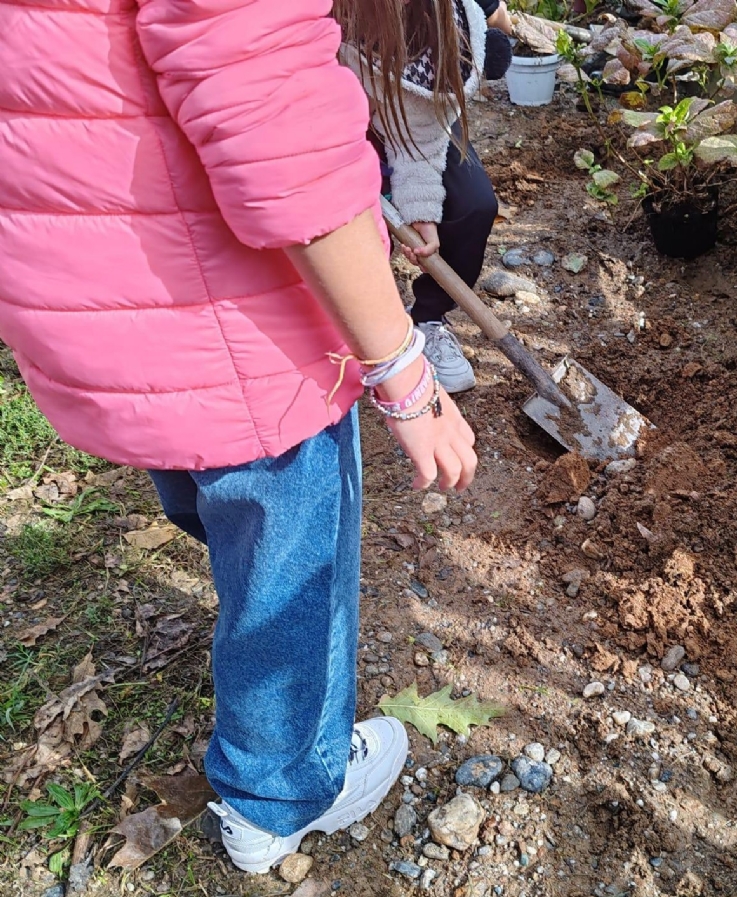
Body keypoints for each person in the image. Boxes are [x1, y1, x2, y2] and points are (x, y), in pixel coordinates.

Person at [0, 0, 477, 874]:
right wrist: (405, 374)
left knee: (212, 485)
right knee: (293, 559)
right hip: (231, 318)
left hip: (104, 283)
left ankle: (247, 601)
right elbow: (277, 133)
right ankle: (282, 791)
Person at [337, 0, 514, 395]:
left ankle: (428, 319)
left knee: (474, 203)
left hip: (405, 119)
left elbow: (421, 135)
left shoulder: (439, 26)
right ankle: (355, 330)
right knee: (349, 232)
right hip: (320, 118)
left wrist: (421, 210)